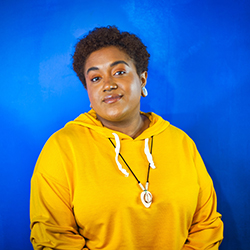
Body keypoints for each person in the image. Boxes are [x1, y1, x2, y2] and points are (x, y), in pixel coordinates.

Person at [30, 26, 224, 249]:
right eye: (95, 78)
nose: (108, 85)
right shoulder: (62, 148)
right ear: (88, 93)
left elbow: (206, 225)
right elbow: (52, 237)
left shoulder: (181, 142)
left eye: (119, 72)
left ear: (142, 80)